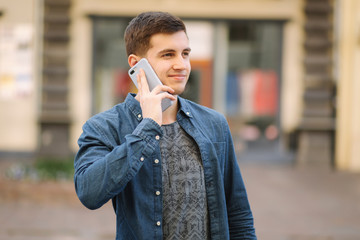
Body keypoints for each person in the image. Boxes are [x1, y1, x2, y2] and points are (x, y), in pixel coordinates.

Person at [74, 11, 257, 240]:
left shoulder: (214, 123)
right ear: (136, 64)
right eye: (168, 55)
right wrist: (147, 127)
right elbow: (88, 193)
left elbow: (238, 214)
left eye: (185, 54)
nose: (181, 65)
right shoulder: (104, 127)